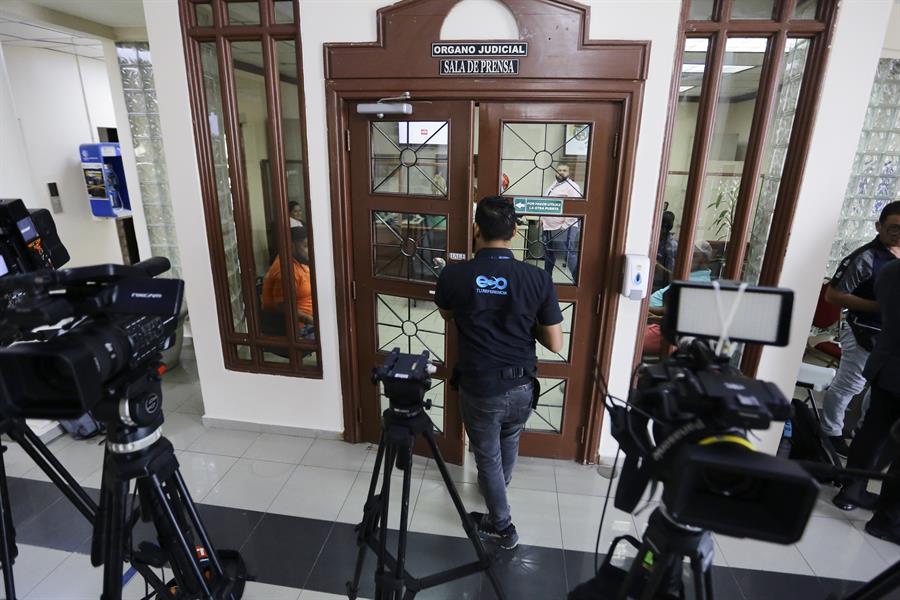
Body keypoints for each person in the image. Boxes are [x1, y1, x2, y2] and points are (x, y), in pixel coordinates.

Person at [435, 196, 563, 550]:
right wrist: (524, 322)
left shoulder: (454, 275)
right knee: (509, 438)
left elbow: (447, 314)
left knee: (487, 455)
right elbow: (555, 343)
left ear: (476, 229)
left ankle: (502, 526)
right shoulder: (537, 278)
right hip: (522, 385)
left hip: (481, 386)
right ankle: (498, 490)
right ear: (515, 232)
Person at [820, 201, 900, 456]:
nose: (898, 233)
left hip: (891, 338)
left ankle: (862, 435)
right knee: (850, 385)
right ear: (879, 226)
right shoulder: (865, 258)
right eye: (894, 227)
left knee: (880, 390)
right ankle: (829, 432)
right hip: (862, 330)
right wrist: (880, 306)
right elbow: (833, 296)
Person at [832, 259, 900, 541]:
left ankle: (851, 490)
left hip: (886, 362)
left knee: (873, 430)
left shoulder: (891, 270)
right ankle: (889, 520)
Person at [262, 226, 314, 333]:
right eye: (305, 246)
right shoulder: (286, 271)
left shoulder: (299, 261)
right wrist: (315, 322)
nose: (310, 250)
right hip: (299, 329)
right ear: (292, 246)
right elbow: (285, 308)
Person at [541, 163, 582, 279]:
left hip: (564, 228)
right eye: (559, 170)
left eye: (564, 170)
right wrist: (542, 219)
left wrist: (565, 226)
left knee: (568, 254)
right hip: (549, 227)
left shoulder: (572, 186)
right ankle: (547, 279)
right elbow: (546, 204)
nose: (561, 172)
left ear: (569, 173)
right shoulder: (553, 185)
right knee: (549, 254)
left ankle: (577, 280)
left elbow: (575, 207)